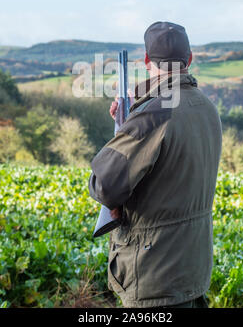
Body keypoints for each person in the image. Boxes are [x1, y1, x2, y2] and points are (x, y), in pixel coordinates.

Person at [88, 21, 222, 308]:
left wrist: (130, 128)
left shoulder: (154, 114)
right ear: (189, 59)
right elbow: (169, 168)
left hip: (154, 276)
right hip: (192, 269)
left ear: (147, 61)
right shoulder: (206, 107)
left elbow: (105, 185)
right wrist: (128, 121)